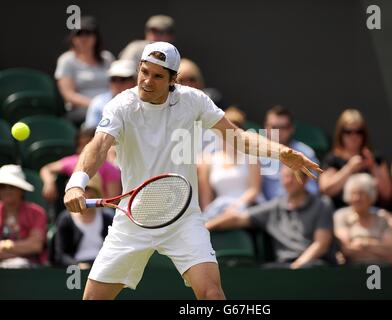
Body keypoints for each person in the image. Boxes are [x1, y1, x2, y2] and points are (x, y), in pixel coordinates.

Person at [63, 41, 322, 300]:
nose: (147, 81)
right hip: (133, 219)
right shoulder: (121, 106)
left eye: (157, 76)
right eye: (144, 72)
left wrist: (281, 152)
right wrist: (77, 182)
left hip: (182, 217)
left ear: (173, 80)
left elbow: (239, 138)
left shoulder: (193, 101)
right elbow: (98, 147)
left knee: (211, 294)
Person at [206, 166, 335, 268]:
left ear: (305, 180)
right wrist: (205, 227)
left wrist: (297, 266)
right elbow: (237, 219)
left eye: (294, 177)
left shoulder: (322, 204)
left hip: (315, 266)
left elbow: (321, 244)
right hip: (283, 266)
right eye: (285, 177)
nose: (288, 181)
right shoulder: (273, 207)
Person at [319, 109, 392, 210]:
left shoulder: (374, 158)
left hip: (373, 213)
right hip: (344, 215)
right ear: (341, 134)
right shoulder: (332, 160)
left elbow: (387, 194)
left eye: (358, 132)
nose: (354, 136)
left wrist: (373, 167)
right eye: (348, 132)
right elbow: (326, 189)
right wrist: (349, 169)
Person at [198, 106, 262, 221]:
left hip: (247, 210)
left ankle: (209, 227)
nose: (229, 134)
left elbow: (254, 190)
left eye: (234, 129)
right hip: (219, 212)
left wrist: (236, 206)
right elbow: (206, 201)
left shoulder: (251, 158)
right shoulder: (208, 161)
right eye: (225, 130)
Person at [55, 16, 115, 126]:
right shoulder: (66, 60)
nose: (83, 38)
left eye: (88, 33)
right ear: (73, 38)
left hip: (110, 112)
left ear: (96, 37)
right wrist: (97, 105)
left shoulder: (108, 58)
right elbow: (68, 94)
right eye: (79, 34)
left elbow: (115, 85)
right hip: (81, 116)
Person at [40, 127, 121, 205]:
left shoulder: (110, 168)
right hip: (73, 212)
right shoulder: (72, 161)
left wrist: (90, 200)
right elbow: (47, 169)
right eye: (80, 144)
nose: (84, 148)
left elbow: (112, 200)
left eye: (89, 143)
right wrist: (49, 183)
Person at [334, 173, 392, 266]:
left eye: (361, 194)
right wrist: (378, 246)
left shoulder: (382, 217)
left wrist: (364, 243)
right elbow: (346, 249)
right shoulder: (341, 216)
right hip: (351, 270)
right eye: (353, 194)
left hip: (382, 270)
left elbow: (391, 251)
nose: (357, 198)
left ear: (371, 196)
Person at [54, 174, 113, 269]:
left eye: (88, 189)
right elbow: (61, 256)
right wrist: (77, 265)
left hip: (104, 267)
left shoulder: (107, 217)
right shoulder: (65, 219)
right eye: (82, 190)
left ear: (96, 193)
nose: (85, 194)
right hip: (75, 271)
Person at [262, 105, 319, 200]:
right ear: (266, 127)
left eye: (283, 127)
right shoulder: (256, 153)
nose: (278, 131)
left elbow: (312, 189)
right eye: (274, 127)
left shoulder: (306, 153)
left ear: (292, 128)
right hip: (265, 209)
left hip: (297, 208)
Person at [0, 165, 47, 268]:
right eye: (2, 186)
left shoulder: (37, 212)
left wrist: (5, 246)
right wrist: (20, 249)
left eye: (12, 187)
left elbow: (35, 246)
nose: (7, 191)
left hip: (29, 270)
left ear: (21, 190)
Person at [84, 60, 137, 129]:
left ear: (134, 81)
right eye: (113, 79)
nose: (118, 84)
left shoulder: (144, 102)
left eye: (123, 79)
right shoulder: (98, 103)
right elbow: (90, 133)